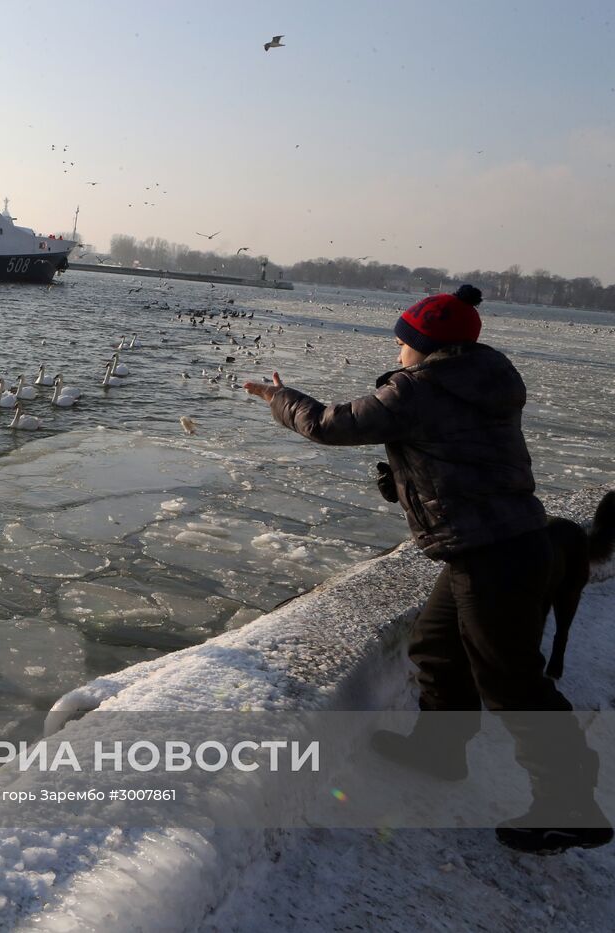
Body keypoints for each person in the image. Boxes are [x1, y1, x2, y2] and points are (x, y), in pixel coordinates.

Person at [243, 285, 610, 854]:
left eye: (401, 344)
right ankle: (440, 750)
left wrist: (279, 395)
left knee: (512, 682)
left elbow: (328, 425)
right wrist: (408, 477)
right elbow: (458, 456)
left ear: (425, 345)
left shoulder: (421, 389)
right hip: (500, 541)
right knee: (437, 646)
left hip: (493, 552)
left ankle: (571, 805)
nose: (396, 355)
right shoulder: (483, 378)